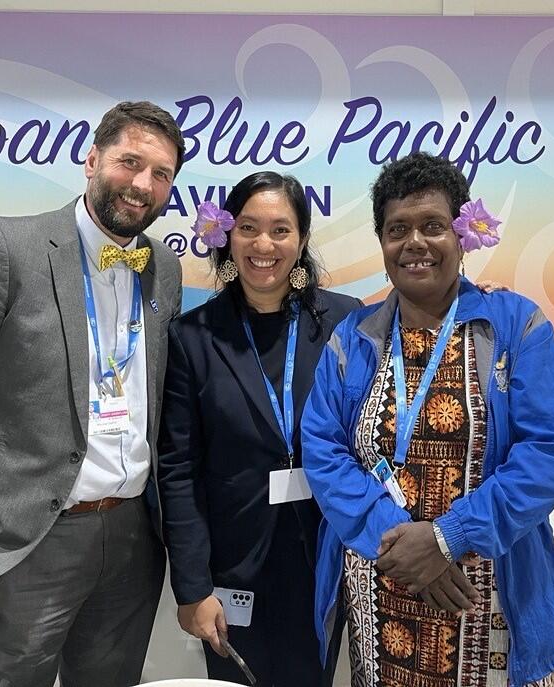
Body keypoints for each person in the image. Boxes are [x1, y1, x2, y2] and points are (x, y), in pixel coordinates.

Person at [0, 101, 185, 687]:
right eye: (130, 162)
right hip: (26, 540)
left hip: (131, 539)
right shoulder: (6, 250)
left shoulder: (164, 268)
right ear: (91, 159)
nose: (142, 184)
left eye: (161, 175)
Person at [302, 152, 554, 686]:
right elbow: (323, 448)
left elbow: (548, 450)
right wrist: (399, 544)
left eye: (432, 226)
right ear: (382, 243)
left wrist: (447, 538)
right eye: (396, 229)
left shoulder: (517, 326)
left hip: (489, 588)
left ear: (462, 234)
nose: (414, 243)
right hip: (383, 583)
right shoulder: (353, 339)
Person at [157, 171, 360, 686]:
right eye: (247, 227)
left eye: (280, 229)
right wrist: (191, 587)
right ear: (226, 235)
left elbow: (422, 328)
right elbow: (177, 472)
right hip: (232, 566)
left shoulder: (346, 322)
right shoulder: (193, 338)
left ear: (302, 239)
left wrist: (476, 297)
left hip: (325, 555)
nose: (263, 245)